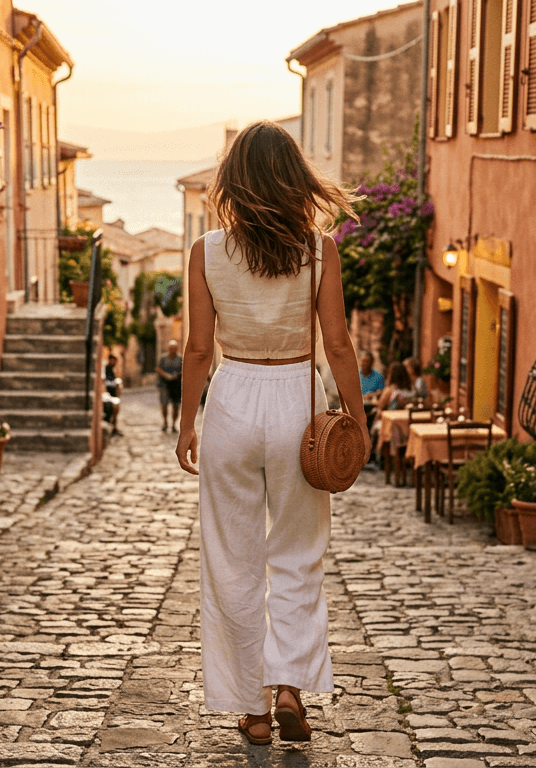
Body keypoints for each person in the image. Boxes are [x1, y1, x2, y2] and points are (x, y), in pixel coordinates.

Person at [173, 120, 367, 747]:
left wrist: (186, 424)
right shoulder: (319, 249)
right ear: (294, 179)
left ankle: (251, 707)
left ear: (234, 180)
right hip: (299, 402)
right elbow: (337, 343)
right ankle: (290, 688)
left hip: (232, 399)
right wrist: (357, 421)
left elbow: (199, 350)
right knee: (298, 553)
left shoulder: (207, 250)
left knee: (232, 559)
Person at [156, 340, 183, 432]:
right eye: (171, 348)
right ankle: (165, 422)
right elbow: (158, 369)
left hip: (176, 385)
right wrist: (166, 375)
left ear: (177, 349)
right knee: (164, 404)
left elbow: (184, 370)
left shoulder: (180, 358)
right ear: (168, 348)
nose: (173, 350)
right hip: (164, 384)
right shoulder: (163, 358)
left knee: (176, 406)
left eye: (174, 348)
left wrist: (177, 375)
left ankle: (174, 424)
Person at [104, 354, 122, 436]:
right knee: (115, 407)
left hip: (112, 394)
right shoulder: (106, 369)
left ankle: (114, 427)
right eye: (113, 360)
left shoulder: (112, 369)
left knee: (116, 408)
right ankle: (113, 427)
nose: (114, 362)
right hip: (108, 394)